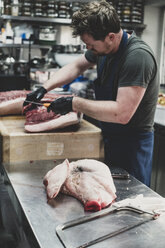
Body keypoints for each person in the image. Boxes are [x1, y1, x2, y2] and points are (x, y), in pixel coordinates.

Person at [24, 0, 159, 187]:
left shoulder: (137, 57)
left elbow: (122, 113)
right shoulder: (104, 50)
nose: (89, 49)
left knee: (132, 199)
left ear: (110, 37)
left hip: (132, 146)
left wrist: (74, 103)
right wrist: (44, 87)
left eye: (91, 45)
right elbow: (77, 65)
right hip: (112, 137)